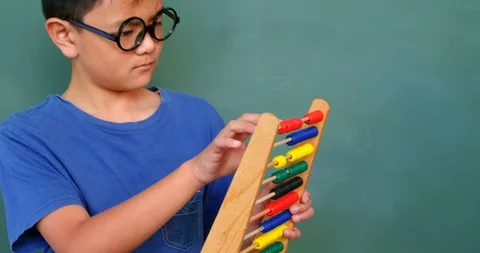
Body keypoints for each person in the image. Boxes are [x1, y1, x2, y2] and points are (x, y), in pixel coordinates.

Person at [0, 0, 315, 252]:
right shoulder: (27, 138)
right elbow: (78, 245)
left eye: (157, 23)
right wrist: (194, 173)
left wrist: (268, 207)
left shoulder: (198, 117)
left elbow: (223, 240)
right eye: (128, 31)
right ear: (65, 36)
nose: (149, 44)